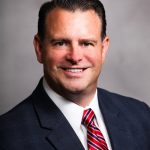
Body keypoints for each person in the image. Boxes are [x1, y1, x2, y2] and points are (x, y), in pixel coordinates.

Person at [0, 0, 150, 150]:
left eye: (86, 43)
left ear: (103, 49)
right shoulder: (7, 137)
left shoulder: (141, 116)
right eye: (61, 43)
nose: (75, 57)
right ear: (39, 48)